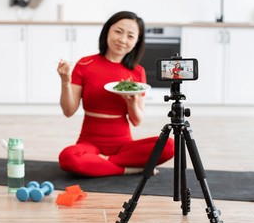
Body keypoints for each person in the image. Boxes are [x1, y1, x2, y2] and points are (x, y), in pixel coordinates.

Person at [57, 11, 174, 177]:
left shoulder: (137, 72)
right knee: (68, 158)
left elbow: (136, 121)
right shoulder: (85, 63)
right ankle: (127, 169)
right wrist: (65, 81)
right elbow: (69, 111)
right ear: (107, 31)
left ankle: (100, 163)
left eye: (130, 36)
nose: (122, 40)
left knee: (169, 145)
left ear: (136, 42)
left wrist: (132, 102)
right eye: (118, 32)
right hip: (89, 143)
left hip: (123, 146)